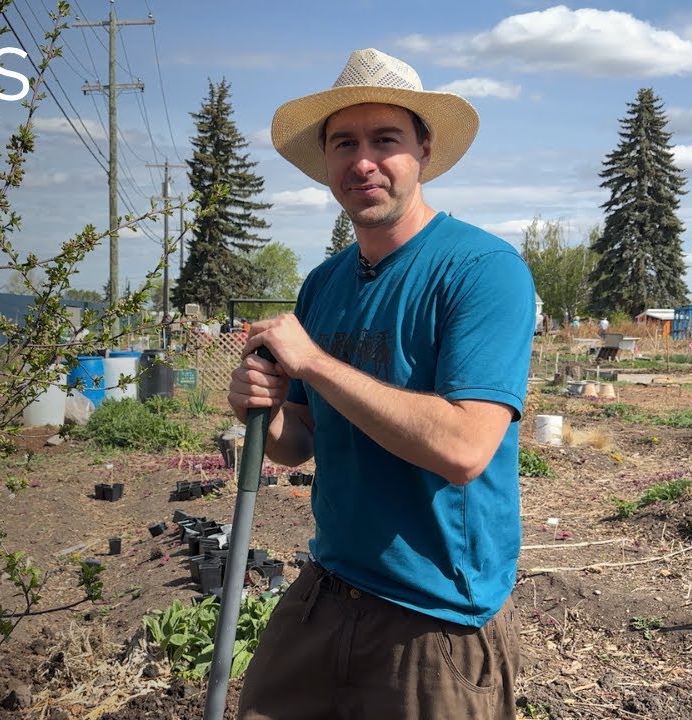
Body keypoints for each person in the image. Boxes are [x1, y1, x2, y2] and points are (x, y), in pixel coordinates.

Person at [228, 48, 536, 720]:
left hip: (436, 621)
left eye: (385, 139)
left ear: (423, 149)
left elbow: (463, 449)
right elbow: (296, 443)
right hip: (329, 588)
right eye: (345, 143)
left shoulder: (483, 271)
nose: (362, 160)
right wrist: (264, 406)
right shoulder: (325, 283)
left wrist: (312, 364)